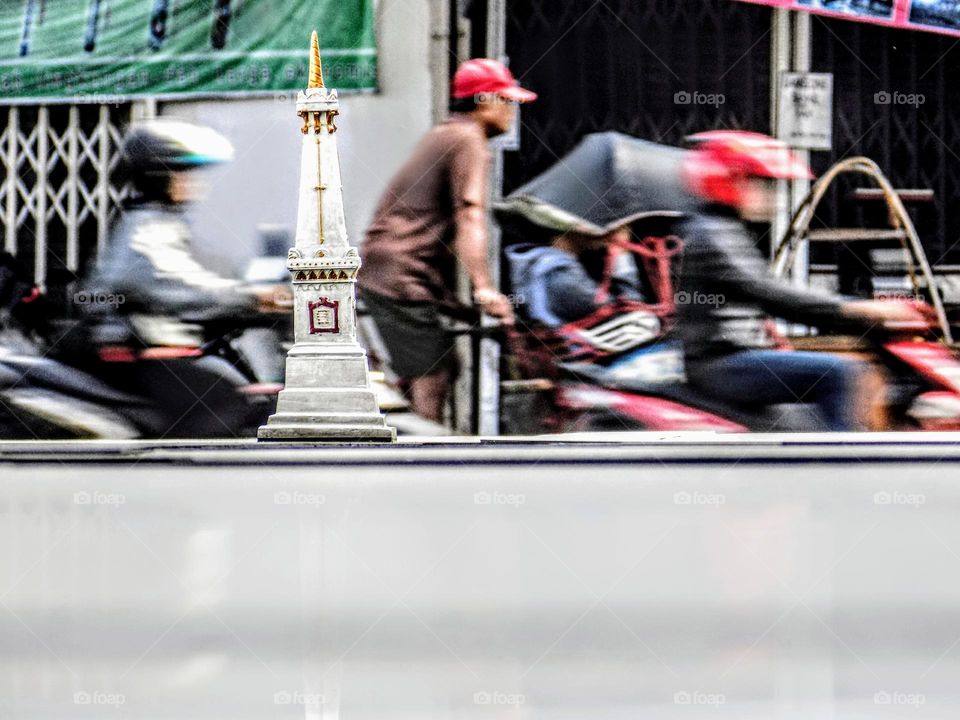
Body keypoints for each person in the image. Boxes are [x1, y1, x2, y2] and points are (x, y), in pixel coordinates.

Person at [677, 130, 921, 431]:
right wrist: (857, 310)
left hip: (733, 356)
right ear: (733, 181)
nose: (770, 194)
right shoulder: (713, 234)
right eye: (762, 183)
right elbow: (774, 294)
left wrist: (860, 311)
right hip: (722, 364)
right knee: (839, 374)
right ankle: (845, 469)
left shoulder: (723, 228)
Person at [358, 59, 537, 423]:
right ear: (485, 100)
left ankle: (412, 437)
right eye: (507, 101)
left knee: (438, 364)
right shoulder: (468, 139)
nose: (511, 112)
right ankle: (424, 460)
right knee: (434, 371)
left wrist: (460, 302)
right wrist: (485, 287)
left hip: (394, 268)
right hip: (400, 273)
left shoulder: (446, 133)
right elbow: (470, 213)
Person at [84, 119, 288, 436]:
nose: (194, 184)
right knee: (221, 405)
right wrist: (253, 298)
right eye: (183, 173)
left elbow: (194, 277)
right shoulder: (148, 228)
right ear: (159, 176)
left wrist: (249, 296)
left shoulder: (161, 221)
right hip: (132, 358)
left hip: (156, 351)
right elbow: (175, 286)